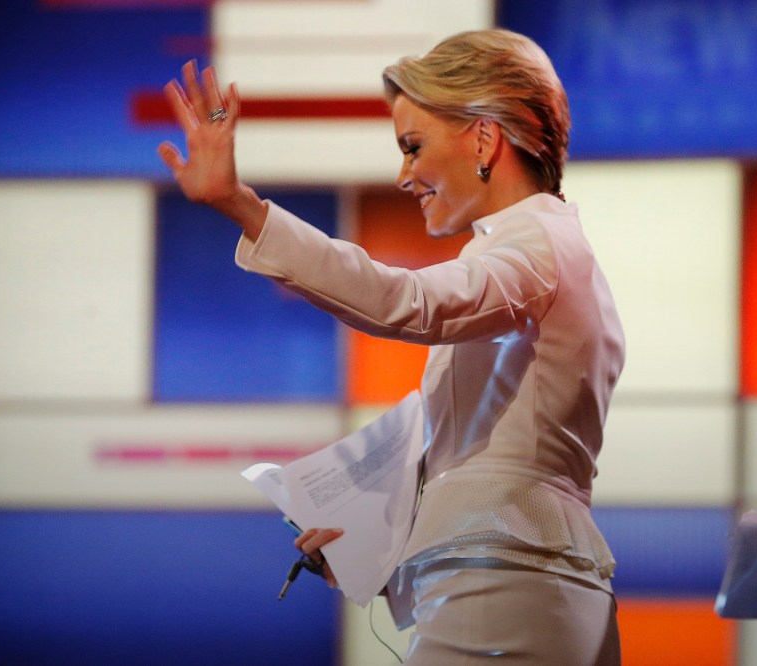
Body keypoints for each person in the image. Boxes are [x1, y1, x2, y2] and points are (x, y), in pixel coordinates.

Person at [158, 28, 625, 666]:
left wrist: (242, 207)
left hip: (503, 592)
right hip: (536, 587)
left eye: (413, 146)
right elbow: (500, 462)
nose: (403, 175)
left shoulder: (537, 246)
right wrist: (374, 546)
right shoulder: (550, 249)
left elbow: (406, 302)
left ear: (485, 139)